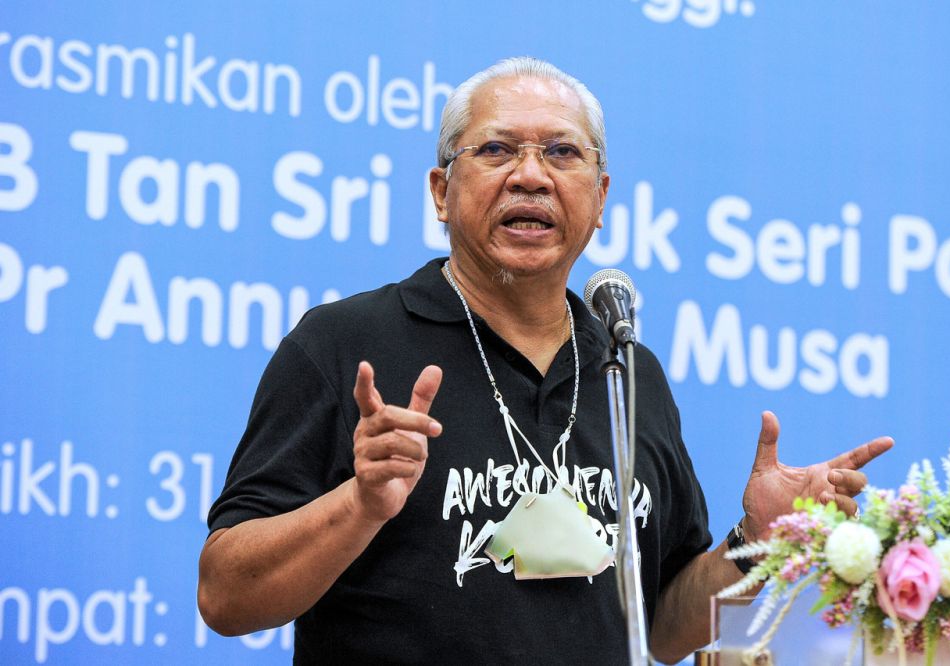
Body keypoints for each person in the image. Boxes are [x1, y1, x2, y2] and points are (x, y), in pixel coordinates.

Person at [197, 57, 892, 664]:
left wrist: (755, 539)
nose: (530, 176)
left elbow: (662, 633)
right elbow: (225, 597)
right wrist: (361, 504)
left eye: (562, 153)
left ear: (600, 198)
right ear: (441, 191)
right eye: (497, 150)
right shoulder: (345, 343)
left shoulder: (629, 371)